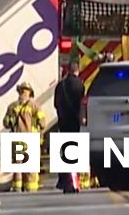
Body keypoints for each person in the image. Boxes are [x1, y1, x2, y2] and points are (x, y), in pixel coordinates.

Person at [4, 82, 45, 192]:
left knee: (17, 166)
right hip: (30, 138)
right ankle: (31, 188)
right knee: (30, 167)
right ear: (30, 93)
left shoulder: (12, 106)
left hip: (16, 138)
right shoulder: (35, 106)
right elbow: (42, 123)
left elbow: (6, 123)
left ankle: (17, 187)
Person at [54, 61, 85, 193]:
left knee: (64, 151)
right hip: (75, 121)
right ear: (78, 70)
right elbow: (82, 103)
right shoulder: (80, 84)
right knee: (75, 151)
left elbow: (56, 103)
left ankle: (63, 179)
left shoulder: (61, 85)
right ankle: (74, 181)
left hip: (63, 121)